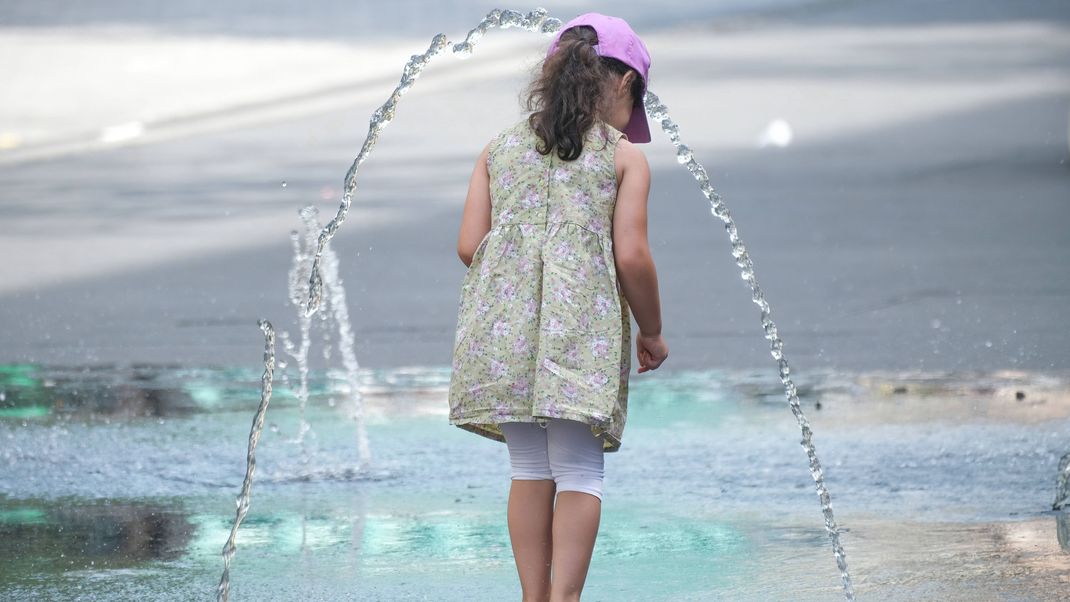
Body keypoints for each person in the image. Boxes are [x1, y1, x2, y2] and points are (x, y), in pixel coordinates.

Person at [448, 12, 668, 602]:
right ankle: (566, 599)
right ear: (623, 84)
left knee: (528, 469)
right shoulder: (622, 159)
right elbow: (633, 256)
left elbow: (470, 245)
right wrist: (652, 330)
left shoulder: (499, 148)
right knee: (579, 470)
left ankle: (532, 597)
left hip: (503, 328)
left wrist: (520, 280)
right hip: (580, 332)